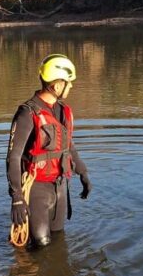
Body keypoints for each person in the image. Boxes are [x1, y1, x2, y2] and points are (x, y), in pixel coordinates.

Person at [6, 54, 91, 248]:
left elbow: (68, 145)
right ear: (56, 85)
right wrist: (17, 198)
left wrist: (83, 172)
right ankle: (27, 273)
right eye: (68, 83)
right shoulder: (27, 113)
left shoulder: (64, 110)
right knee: (41, 245)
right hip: (36, 189)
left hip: (60, 187)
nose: (71, 87)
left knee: (59, 240)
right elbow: (13, 157)